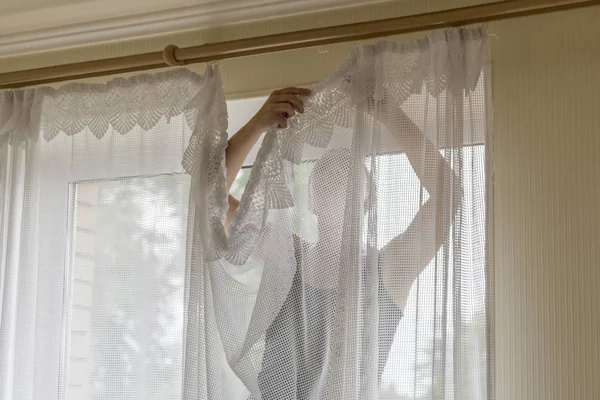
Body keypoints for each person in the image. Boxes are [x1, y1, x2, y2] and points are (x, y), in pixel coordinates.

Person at [224, 87, 458, 399]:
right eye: (327, 168)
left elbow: (449, 195)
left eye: (350, 170)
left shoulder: (387, 270)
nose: (338, 169)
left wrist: (389, 112)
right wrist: (257, 125)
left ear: (368, 201)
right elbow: (209, 203)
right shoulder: (286, 256)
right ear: (311, 198)